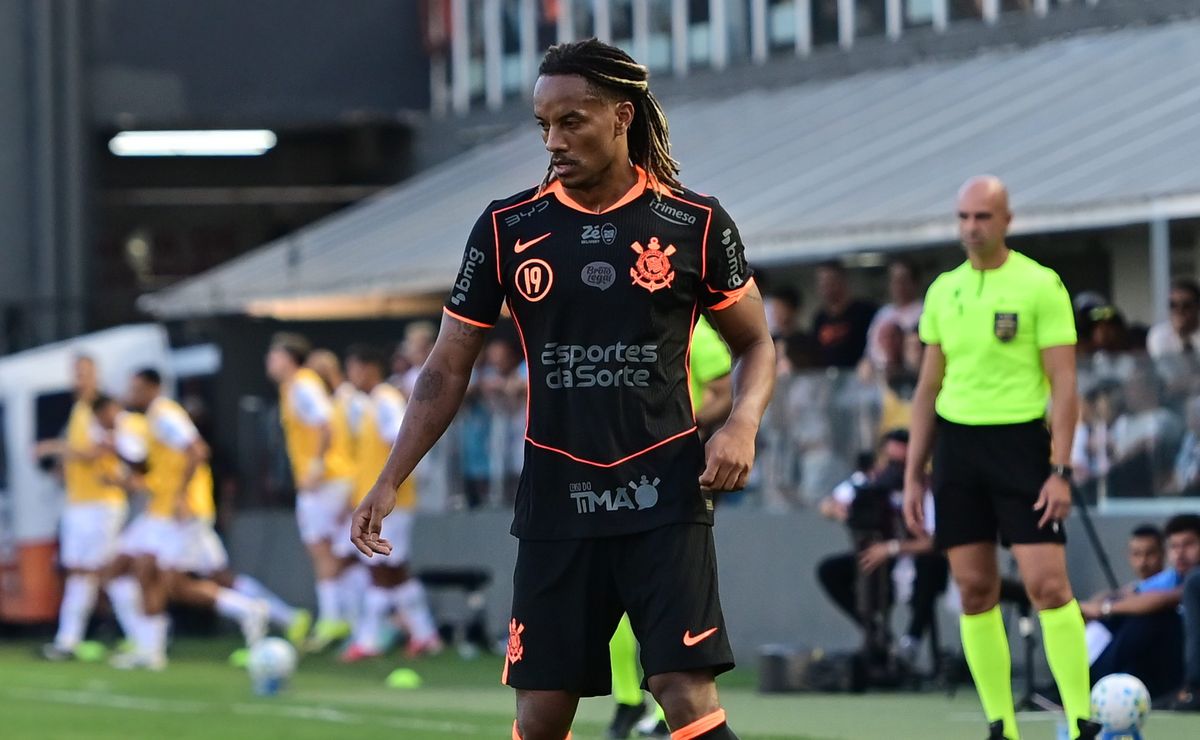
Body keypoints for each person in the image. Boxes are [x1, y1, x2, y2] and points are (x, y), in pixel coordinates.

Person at [352, 39, 774, 740]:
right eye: (543, 124)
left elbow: (756, 344)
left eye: (572, 121)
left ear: (621, 116)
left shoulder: (695, 224)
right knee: (542, 713)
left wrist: (743, 424)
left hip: (664, 498)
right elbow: (445, 367)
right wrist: (391, 477)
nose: (554, 140)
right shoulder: (507, 229)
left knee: (684, 692)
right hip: (557, 500)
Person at [903, 175, 1100, 740]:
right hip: (958, 449)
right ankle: (1001, 728)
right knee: (973, 589)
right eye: (963, 217)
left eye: (983, 217)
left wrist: (1060, 468)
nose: (971, 227)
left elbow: (1065, 385)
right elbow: (926, 389)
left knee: (1048, 586)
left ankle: (1081, 720)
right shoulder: (944, 290)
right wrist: (916, 475)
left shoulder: (1041, 285)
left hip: (1022, 445)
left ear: (1006, 220)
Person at [609, 314, 734, 739]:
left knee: (672, 599)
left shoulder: (691, 327)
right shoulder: (602, 322)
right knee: (613, 598)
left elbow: (721, 391)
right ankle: (628, 700)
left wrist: (674, 427)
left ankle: (670, 712)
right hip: (605, 477)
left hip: (673, 474)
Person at [339, 344, 441, 663]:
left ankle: (370, 640)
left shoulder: (385, 400)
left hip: (392, 502)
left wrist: (389, 485)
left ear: (369, 368)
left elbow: (400, 437)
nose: (351, 375)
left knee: (382, 570)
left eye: (354, 367)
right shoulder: (372, 402)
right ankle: (424, 635)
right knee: (390, 570)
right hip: (380, 501)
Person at [817, 430, 948, 672]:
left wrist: (891, 548)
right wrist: (841, 511)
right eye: (891, 461)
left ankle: (912, 639)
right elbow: (827, 505)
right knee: (831, 571)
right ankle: (875, 632)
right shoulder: (869, 481)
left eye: (902, 463)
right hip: (879, 565)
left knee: (933, 565)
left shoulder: (927, 488)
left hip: (915, 563)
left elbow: (935, 540)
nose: (895, 470)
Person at [36, 356, 130, 661]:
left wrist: (56, 447)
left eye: (84, 373)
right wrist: (62, 467)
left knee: (106, 571)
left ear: (96, 375)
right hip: (79, 502)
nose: (79, 380)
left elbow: (102, 449)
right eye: (76, 374)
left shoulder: (102, 410)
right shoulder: (78, 409)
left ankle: (147, 635)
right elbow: (80, 454)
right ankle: (67, 641)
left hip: (101, 503)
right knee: (79, 574)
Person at [266, 332, 355, 651]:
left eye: (274, 355)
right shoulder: (295, 386)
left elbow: (325, 423)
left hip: (324, 478)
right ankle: (344, 615)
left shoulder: (302, 384)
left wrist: (316, 465)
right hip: (330, 476)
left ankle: (334, 618)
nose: (270, 361)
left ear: (289, 358)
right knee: (334, 548)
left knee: (321, 547)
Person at [1082, 514, 1200, 699]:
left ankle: (1090, 686)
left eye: (1188, 544)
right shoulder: (1171, 577)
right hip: (1162, 661)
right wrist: (1094, 606)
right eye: (1175, 546)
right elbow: (1127, 594)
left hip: (1187, 662)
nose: (1180, 553)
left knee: (1152, 619)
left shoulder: (1194, 581)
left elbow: (1160, 600)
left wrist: (1105, 609)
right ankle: (1075, 685)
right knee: (1118, 621)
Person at [810, 261, 878, 369]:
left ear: (842, 280)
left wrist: (868, 360)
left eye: (830, 281)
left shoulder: (864, 311)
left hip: (859, 378)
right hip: (829, 379)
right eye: (822, 283)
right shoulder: (819, 318)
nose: (826, 287)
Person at [864, 258, 923, 370]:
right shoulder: (882, 313)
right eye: (894, 280)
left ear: (915, 282)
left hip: (911, 376)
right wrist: (866, 362)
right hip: (881, 378)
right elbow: (869, 352)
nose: (898, 286)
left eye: (903, 280)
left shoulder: (924, 311)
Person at [1146, 278, 1200, 359]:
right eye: (1173, 305)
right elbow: (1167, 369)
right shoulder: (1159, 334)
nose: (1179, 311)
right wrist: (1182, 336)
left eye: (1186, 305)